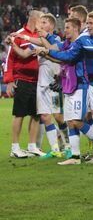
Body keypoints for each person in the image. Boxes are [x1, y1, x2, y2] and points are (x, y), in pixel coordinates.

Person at [44, 10, 93, 166]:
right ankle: (86, 153)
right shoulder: (83, 39)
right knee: (89, 119)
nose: (88, 26)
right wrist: (48, 52)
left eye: (91, 23)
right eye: (87, 23)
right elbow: (68, 56)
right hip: (92, 85)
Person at [11, 13, 69, 159]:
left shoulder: (56, 38)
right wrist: (13, 44)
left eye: (44, 22)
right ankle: (55, 149)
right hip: (41, 83)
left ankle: (68, 145)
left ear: (51, 25)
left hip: (54, 83)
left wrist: (36, 38)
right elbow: (24, 54)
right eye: (40, 22)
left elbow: (52, 50)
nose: (41, 25)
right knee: (44, 116)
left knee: (58, 116)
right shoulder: (37, 41)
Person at [4, 10, 44, 158]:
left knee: (35, 115)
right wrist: (9, 81)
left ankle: (32, 146)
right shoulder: (18, 34)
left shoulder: (40, 36)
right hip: (22, 79)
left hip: (38, 81)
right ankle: (15, 147)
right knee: (19, 114)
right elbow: (9, 59)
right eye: (42, 20)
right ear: (34, 19)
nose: (43, 22)